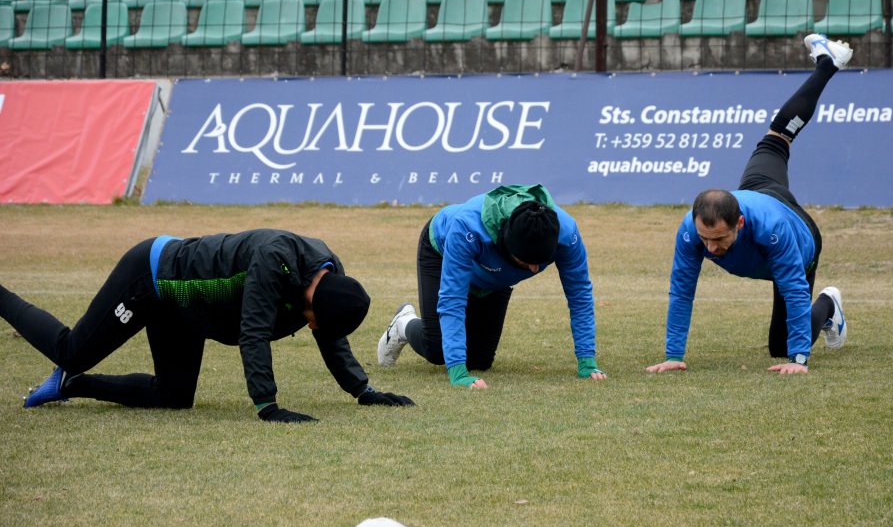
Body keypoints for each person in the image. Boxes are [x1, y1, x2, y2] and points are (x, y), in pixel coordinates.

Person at [3, 229, 414, 421]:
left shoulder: (330, 273)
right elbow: (252, 332)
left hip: (186, 309)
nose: (310, 328)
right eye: (313, 322)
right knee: (72, 350)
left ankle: (69, 385)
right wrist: (267, 406)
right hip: (151, 277)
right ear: (313, 301)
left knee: (173, 396)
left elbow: (330, 334)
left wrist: (363, 391)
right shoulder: (275, 258)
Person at [646, 34, 852, 376]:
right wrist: (673, 354)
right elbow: (682, 289)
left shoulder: (773, 233)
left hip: (798, 231)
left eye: (719, 240)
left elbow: (794, 290)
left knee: (782, 346)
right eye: (705, 240)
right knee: (777, 137)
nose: (710, 248)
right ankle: (828, 63)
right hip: (758, 190)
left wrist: (799, 359)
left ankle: (830, 304)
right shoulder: (692, 230)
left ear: (739, 224)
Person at [375, 183, 605, 388]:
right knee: (437, 349)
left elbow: (579, 294)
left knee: (479, 362)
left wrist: (587, 361)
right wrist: (456, 370)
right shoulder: (467, 227)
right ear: (506, 244)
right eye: (526, 263)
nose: (534, 270)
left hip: (496, 277)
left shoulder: (566, 233)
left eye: (540, 262)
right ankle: (403, 324)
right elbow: (452, 299)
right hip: (441, 249)